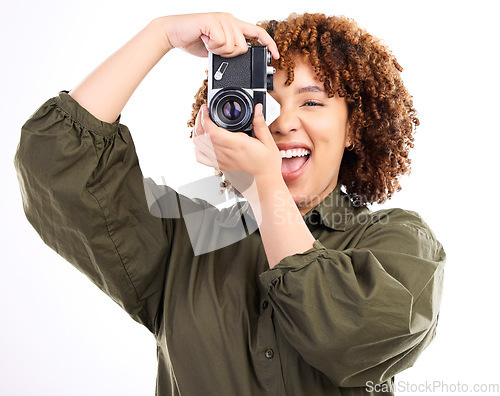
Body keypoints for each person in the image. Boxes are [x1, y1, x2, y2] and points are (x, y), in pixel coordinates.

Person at [14, 11, 445, 396]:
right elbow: (57, 163)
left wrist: (263, 186)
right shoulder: (184, 241)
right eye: (263, 101)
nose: (282, 122)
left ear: (354, 129)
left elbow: (351, 335)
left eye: (311, 101)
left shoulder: (398, 241)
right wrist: (159, 34)